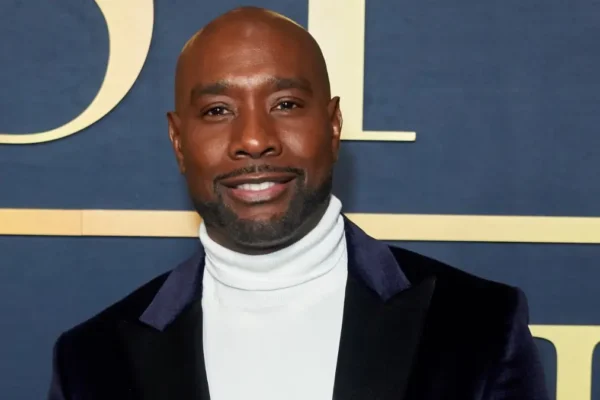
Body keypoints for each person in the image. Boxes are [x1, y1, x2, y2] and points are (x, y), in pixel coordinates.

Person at [47, 6, 549, 400]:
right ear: (178, 143)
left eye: (285, 104)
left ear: (332, 126)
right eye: (218, 110)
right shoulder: (92, 362)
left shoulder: (478, 326)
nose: (254, 139)